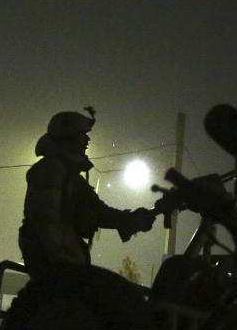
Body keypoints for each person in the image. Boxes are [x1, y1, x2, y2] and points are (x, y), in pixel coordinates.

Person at [18, 107, 155, 277]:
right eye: (82, 135)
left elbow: (97, 212)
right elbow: (46, 220)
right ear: (68, 139)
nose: (87, 140)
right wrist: (61, 264)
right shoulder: (51, 170)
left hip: (62, 265)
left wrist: (132, 220)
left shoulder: (68, 176)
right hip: (56, 267)